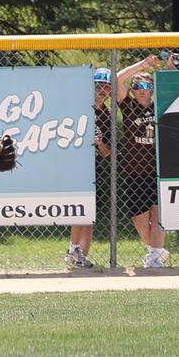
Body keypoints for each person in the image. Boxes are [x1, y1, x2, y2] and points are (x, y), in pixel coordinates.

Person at [115, 53, 175, 268]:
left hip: (158, 169)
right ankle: (155, 250)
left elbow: (175, 86)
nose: (142, 90)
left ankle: (155, 257)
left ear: (152, 90)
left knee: (158, 214)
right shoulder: (129, 107)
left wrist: (167, 68)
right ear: (132, 90)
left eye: (146, 85)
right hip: (135, 170)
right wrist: (144, 65)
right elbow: (116, 80)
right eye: (137, 85)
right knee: (139, 218)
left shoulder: (159, 106)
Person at [65, 67, 113, 269]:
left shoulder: (106, 115)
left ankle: (81, 254)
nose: (103, 89)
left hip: (92, 167)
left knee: (89, 213)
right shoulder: (79, 106)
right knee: (79, 208)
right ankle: (73, 248)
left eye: (107, 85)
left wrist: (99, 143)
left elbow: (107, 152)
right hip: (75, 165)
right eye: (99, 84)